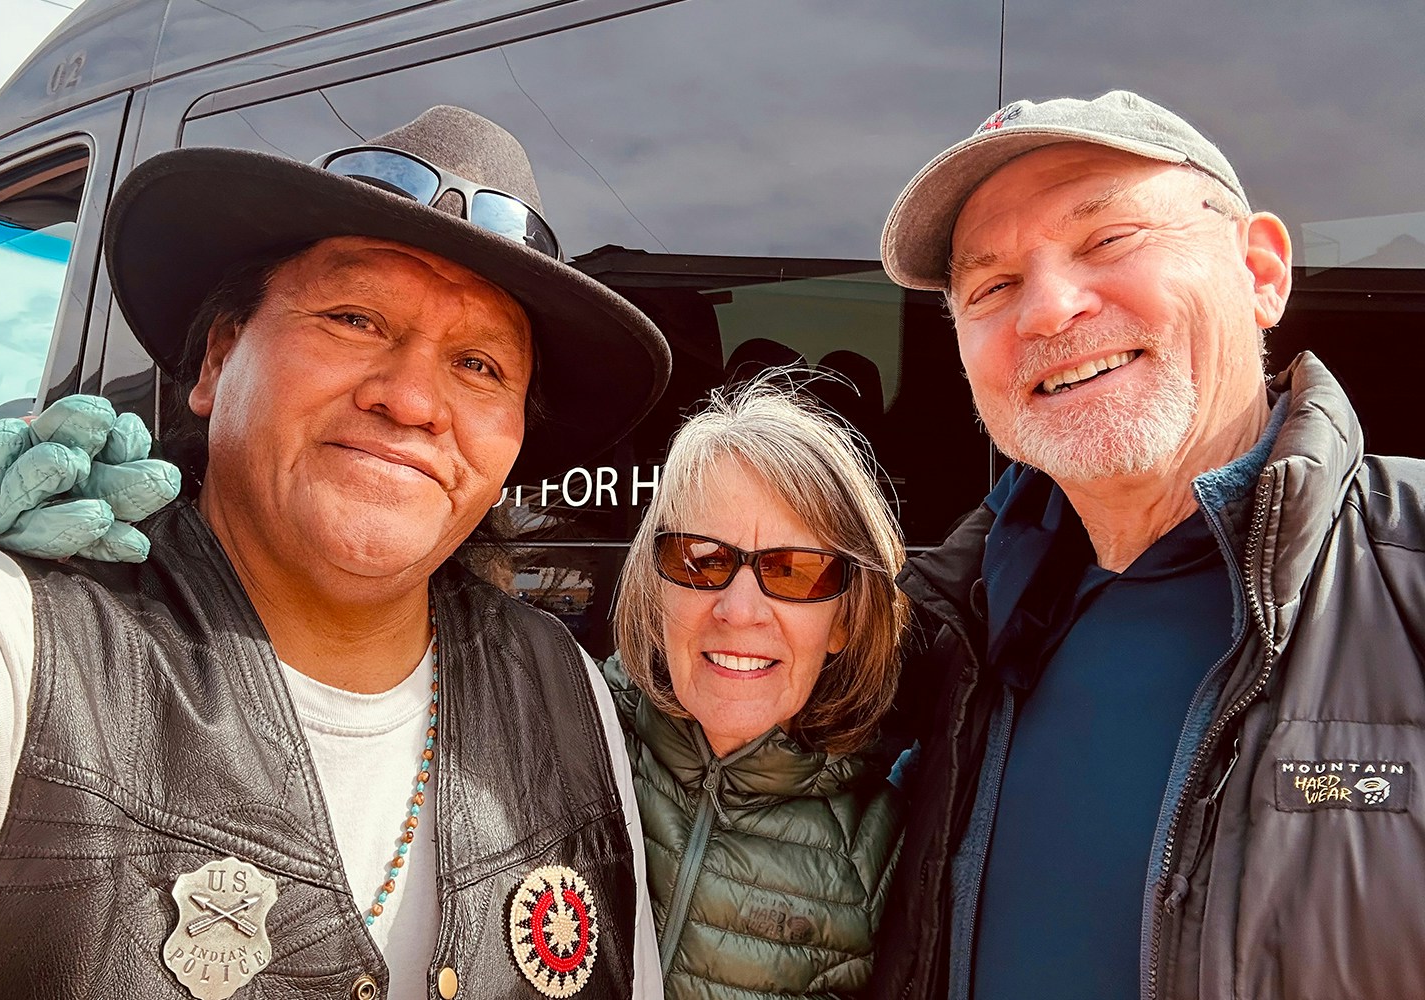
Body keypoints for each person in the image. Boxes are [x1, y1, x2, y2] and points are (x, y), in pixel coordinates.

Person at [0, 106, 671, 1000]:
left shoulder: (565, 688)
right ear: (220, 357)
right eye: (355, 318)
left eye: (480, 367)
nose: (413, 399)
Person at [870, 90, 1425, 1000]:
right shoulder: (932, 635)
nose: (1046, 311)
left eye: (1109, 240)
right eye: (991, 287)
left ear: (1261, 272)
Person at [605, 374, 912, 999]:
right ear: (652, 584)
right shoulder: (566, 742)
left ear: (846, 620)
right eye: (701, 559)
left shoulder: (882, 855)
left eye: (795, 570)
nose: (739, 609)